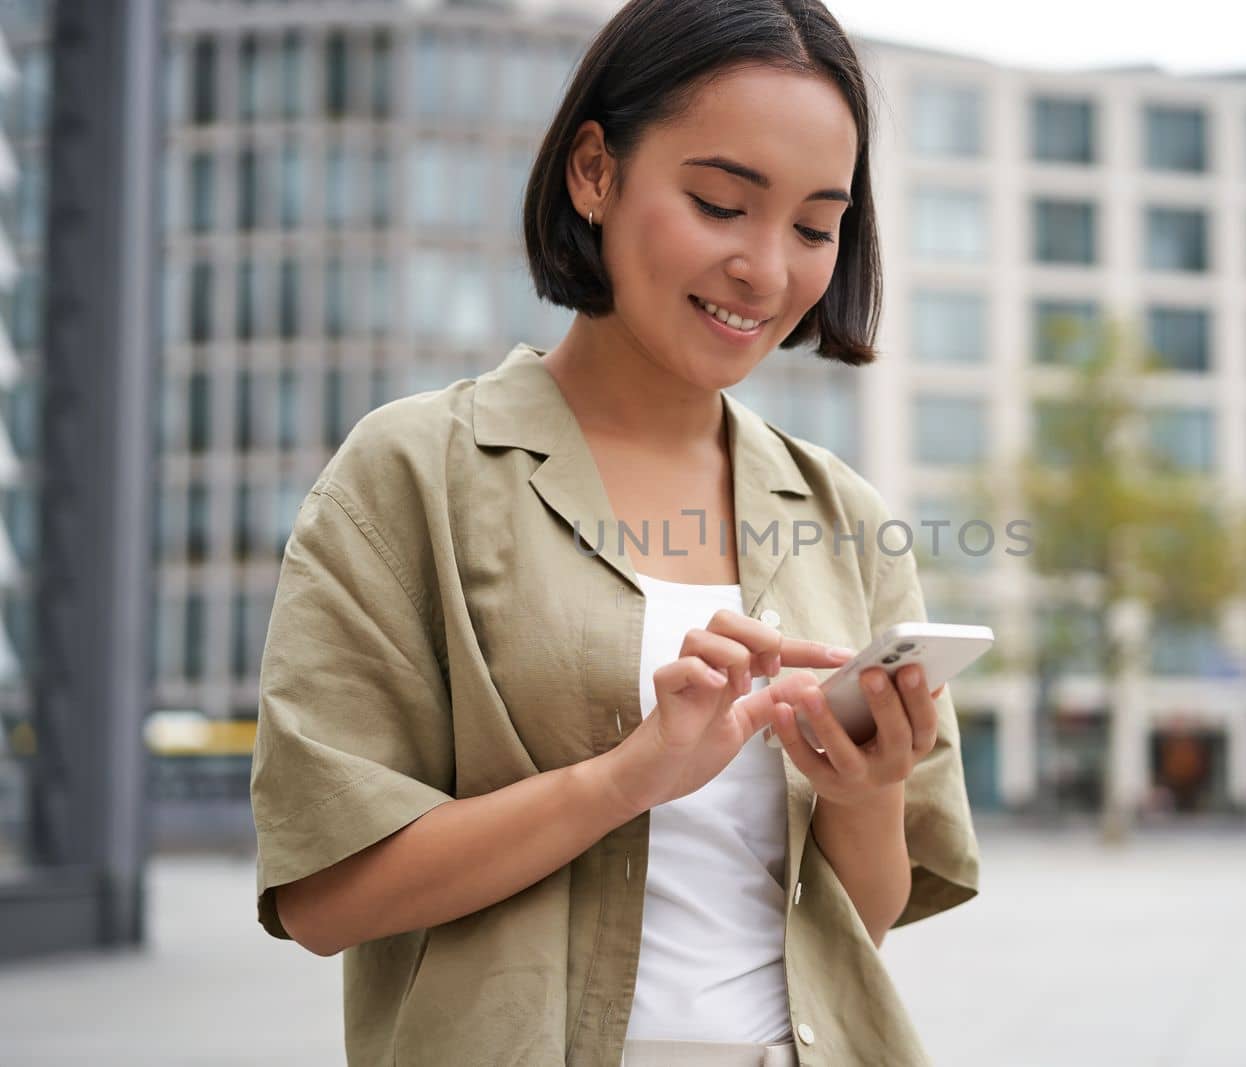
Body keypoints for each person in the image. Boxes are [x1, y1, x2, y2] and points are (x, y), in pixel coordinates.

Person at [246, 2, 982, 1065]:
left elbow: (860, 920)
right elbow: (322, 895)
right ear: (593, 170)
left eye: (816, 227)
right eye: (721, 202)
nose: (767, 271)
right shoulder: (412, 472)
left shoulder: (847, 520)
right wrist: (625, 776)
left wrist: (861, 795)